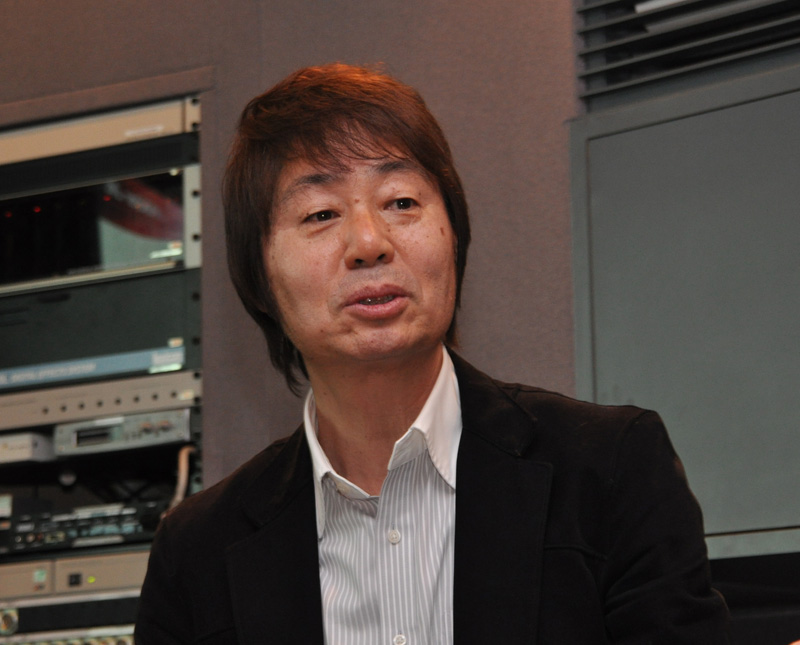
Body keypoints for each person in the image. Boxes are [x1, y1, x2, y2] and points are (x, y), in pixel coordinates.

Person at [135, 63, 729, 644]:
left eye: (401, 202)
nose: (369, 243)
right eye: (320, 214)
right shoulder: (195, 554)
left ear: (454, 238)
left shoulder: (610, 469)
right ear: (259, 275)